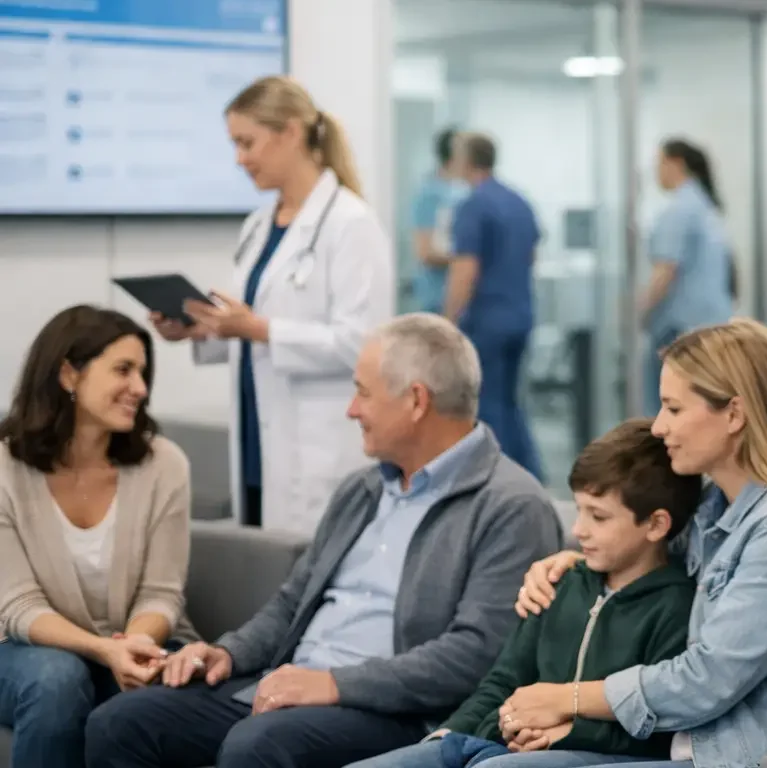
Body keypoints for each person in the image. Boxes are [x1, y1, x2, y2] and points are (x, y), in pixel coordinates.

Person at [85, 314, 564, 768]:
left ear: (416, 401)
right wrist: (228, 653)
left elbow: (476, 657)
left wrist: (335, 684)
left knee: (259, 745)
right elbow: (293, 602)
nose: (352, 410)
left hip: (398, 713)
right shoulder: (362, 490)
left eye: (362, 393)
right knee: (120, 723)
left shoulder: (511, 506)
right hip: (294, 685)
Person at [505, 318, 767, 768]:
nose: (659, 428)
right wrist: (574, 563)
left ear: (734, 416)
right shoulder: (711, 511)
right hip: (686, 750)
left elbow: (707, 681)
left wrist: (568, 699)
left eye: (673, 409)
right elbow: (645, 557)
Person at [349, 417, 700, 768]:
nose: (579, 530)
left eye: (599, 517)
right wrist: (450, 734)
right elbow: (503, 680)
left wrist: (566, 732)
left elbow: (656, 725)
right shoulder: (559, 582)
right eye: (579, 511)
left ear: (655, 525)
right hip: (501, 740)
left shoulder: (676, 606)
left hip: (581, 753)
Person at [148, 74, 392, 537]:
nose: (240, 159)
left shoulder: (351, 224)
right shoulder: (259, 225)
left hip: (317, 445)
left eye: (247, 143)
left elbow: (362, 343)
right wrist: (204, 330)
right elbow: (254, 329)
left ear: (291, 133)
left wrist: (258, 329)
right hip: (259, 439)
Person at [0, 306, 194, 768]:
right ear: (69, 375)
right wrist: (105, 649)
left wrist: (132, 647)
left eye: (143, 373)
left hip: (131, 643)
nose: (140, 389)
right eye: (123, 370)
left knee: (180, 684)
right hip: (21, 650)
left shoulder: (164, 465)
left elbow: (161, 594)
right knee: (58, 679)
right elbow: (17, 606)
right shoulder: (5, 469)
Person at [443, 132, 544, 482]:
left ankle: (499, 482)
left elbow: (465, 269)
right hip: (520, 314)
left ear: (466, 160)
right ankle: (530, 475)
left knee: (488, 404)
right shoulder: (519, 201)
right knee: (511, 401)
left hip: (488, 321)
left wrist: (446, 321)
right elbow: (531, 255)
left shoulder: (473, 205)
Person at [639, 139, 735, 416]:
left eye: (659, 164)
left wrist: (638, 310)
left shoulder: (679, 210)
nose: (655, 172)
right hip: (711, 327)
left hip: (679, 330)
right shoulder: (706, 208)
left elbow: (664, 271)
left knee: (668, 413)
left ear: (676, 163)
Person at [405, 127, 467, 314]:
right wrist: (470, 257)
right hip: (437, 300)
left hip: (464, 300)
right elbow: (425, 252)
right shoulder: (430, 194)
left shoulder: (464, 191)